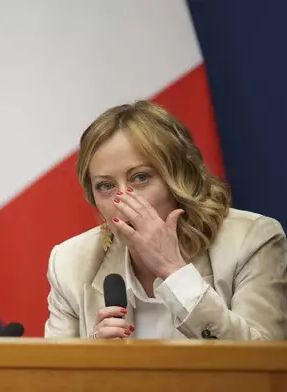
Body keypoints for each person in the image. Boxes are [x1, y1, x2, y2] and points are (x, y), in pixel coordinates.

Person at [44, 100, 287, 340]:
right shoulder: (70, 265)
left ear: (179, 179)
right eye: (105, 186)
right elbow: (51, 377)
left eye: (140, 178)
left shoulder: (252, 241)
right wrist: (90, 360)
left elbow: (261, 368)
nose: (123, 200)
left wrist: (175, 272)